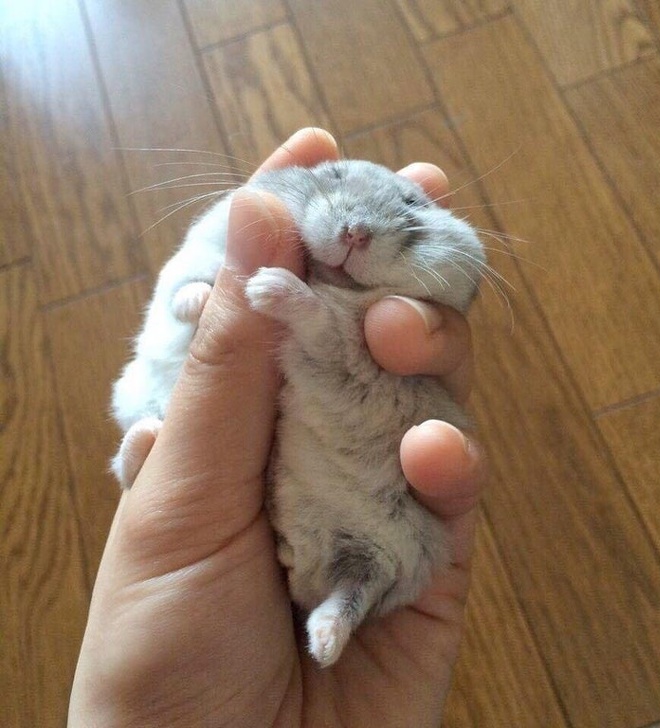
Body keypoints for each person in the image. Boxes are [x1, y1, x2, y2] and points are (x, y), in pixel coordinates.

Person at [68, 128, 486, 728]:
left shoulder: (401, 306)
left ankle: (350, 590)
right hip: (236, 469)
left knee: (410, 468)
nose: (355, 230)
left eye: (409, 209)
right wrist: (199, 290)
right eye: (335, 179)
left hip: (338, 489)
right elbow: (196, 264)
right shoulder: (257, 217)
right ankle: (152, 458)